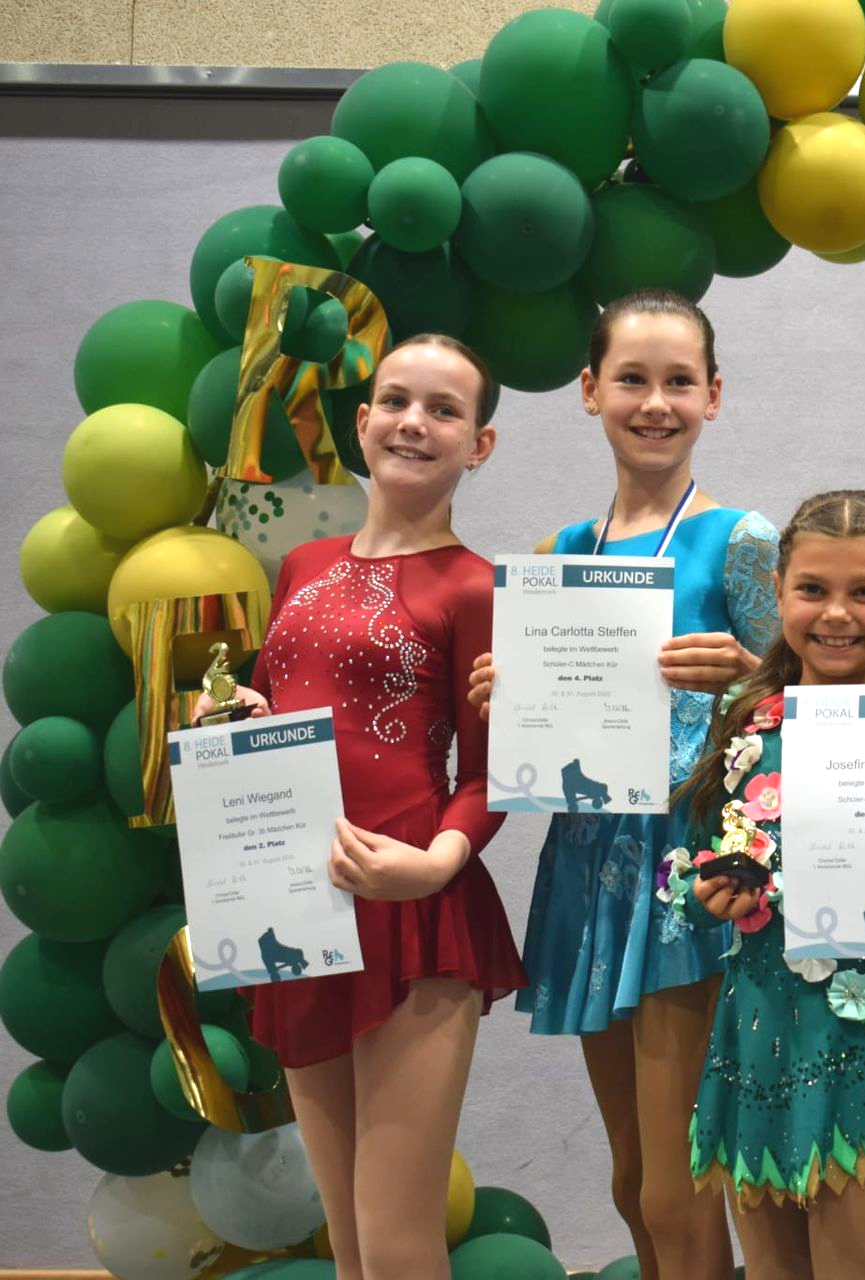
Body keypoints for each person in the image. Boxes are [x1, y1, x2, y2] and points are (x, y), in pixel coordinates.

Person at [201, 334, 526, 1280]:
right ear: (362, 420)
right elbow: (285, 720)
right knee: (346, 1241)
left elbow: (491, 773)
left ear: (480, 444)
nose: (414, 423)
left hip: (412, 907)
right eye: (396, 401)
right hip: (299, 906)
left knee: (396, 1239)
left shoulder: (477, 586)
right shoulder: (301, 565)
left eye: (444, 410)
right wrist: (240, 717)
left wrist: (436, 865)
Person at [466, 290, 775, 1279]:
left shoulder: (740, 538)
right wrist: (509, 694)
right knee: (632, 1172)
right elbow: (555, 726)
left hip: (689, 871)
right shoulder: (562, 553)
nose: (655, 402)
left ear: (713, 395)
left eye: (679, 381)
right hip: (590, 864)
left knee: (677, 1179)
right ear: (590, 389)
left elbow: (817, 695)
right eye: (632, 379)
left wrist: (747, 671)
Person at [671, 490, 865, 1279]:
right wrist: (704, 896)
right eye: (812, 588)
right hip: (755, 1038)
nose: (836, 614)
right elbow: (689, 869)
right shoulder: (746, 722)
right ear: (778, 591)